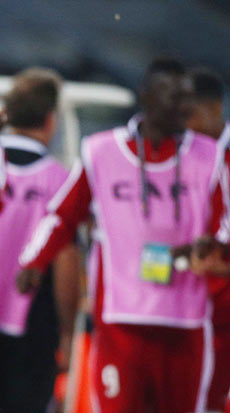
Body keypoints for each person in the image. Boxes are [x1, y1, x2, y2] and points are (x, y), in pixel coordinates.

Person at [18, 57, 228, 413]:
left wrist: (213, 247)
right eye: (172, 97)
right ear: (145, 95)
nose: (182, 107)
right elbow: (63, 216)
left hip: (186, 323)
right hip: (121, 323)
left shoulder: (210, 156)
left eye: (185, 98)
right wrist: (33, 261)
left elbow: (225, 222)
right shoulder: (101, 151)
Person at [0, 68, 81, 412]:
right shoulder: (62, 183)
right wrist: (67, 335)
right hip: (33, 329)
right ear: (51, 120)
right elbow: (66, 260)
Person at [188, 67, 230, 412]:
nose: (184, 124)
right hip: (191, 309)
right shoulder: (177, 158)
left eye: (191, 114)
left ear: (215, 109)